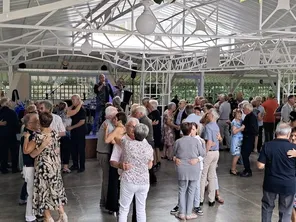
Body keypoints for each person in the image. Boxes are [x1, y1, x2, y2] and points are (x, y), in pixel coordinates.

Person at [24, 112, 67, 222]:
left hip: (43, 167)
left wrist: (26, 138)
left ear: (39, 122)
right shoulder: (54, 133)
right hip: (54, 165)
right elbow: (57, 149)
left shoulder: (38, 137)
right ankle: (62, 214)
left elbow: (30, 153)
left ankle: (48, 218)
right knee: (55, 189)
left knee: (43, 192)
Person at [257, 123, 296, 222]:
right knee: (286, 211)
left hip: (271, 182)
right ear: (288, 134)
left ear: (276, 132)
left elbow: (260, 166)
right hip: (288, 184)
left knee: (267, 207)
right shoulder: (294, 149)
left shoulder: (267, 146)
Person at [116, 123, 154, 222]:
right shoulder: (149, 148)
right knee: (141, 210)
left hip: (129, 180)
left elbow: (116, 138)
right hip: (144, 181)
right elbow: (149, 166)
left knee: (124, 209)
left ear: (134, 132)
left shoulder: (127, 143)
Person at [173, 122, 206, 220]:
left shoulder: (178, 141)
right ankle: (188, 213)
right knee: (192, 190)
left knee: (182, 190)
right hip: (193, 167)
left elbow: (173, 154)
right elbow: (203, 154)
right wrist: (197, 159)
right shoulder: (196, 141)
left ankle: (182, 213)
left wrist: (175, 158)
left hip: (181, 168)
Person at [96, 106, 118, 208]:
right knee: (107, 179)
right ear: (111, 115)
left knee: (106, 178)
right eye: (116, 114)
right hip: (104, 153)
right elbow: (112, 139)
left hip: (102, 152)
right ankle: (106, 201)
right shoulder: (109, 125)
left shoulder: (106, 123)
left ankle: (103, 200)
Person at [21, 113, 40, 222]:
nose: (38, 123)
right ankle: (29, 216)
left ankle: (35, 212)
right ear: (29, 124)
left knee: (34, 192)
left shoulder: (32, 133)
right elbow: (28, 151)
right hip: (30, 167)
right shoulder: (28, 136)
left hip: (32, 166)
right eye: (36, 121)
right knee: (31, 193)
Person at [200, 108, 220, 206]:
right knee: (211, 176)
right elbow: (219, 139)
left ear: (211, 116)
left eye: (208, 114)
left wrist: (204, 153)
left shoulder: (208, 127)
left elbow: (209, 142)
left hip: (209, 152)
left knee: (203, 175)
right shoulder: (216, 126)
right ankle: (211, 199)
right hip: (216, 152)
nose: (206, 115)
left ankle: (200, 198)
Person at [67, 95, 86, 173]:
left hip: (80, 132)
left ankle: (82, 166)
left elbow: (82, 122)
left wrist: (72, 127)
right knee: (73, 149)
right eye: (72, 100)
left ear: (79, 100)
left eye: (74, 99)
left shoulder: (82, 110)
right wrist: (73, 104)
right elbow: (68, 112)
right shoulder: (74, 108)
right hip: (74, 132)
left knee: (81, 150)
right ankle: (75, 165)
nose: (72, 101)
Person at [0, 97, 19, 174]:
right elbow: (16, 125)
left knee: (3, 152)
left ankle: (3, 168)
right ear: (7, 103)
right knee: (14, 151)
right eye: (10, 101)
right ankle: (14, 168)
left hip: (1, 135)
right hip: (11, 135)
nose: (11, 102)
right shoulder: (12, 112)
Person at [240, 103, 258, 177]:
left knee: (245, 154)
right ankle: (246, 169)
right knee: (244, 154)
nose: (243, 110)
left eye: (244, 109)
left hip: (249, 138)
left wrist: (244, 130)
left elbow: (254, 129)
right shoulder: (249, 116)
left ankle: (248, 170)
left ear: (247, 109)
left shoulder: (251, 117)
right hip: (247, 137)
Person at [230, 109, 245, 175]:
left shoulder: (241, 121)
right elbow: (234, 131)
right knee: (236, 155)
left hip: (240, 139)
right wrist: (242, 128)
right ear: (234, 115)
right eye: (237, 114)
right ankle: (232, 169)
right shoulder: (234, 122)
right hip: (236, 140)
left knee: (238, 155)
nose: (239, 115)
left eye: (240, 114)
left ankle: (234, 168)